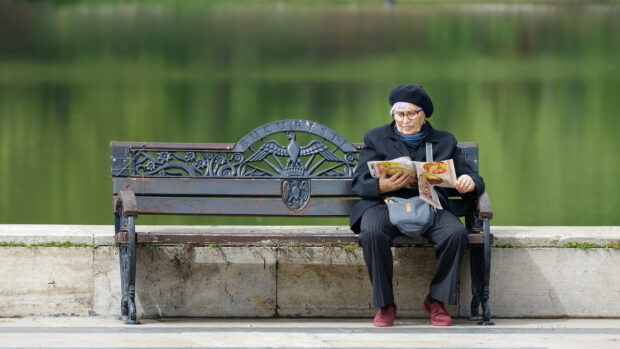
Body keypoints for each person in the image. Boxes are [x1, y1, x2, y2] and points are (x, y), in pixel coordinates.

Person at [349, 84, 485, 327]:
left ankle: (437, 301)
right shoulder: (376, 138)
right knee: (371, 232)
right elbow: (359, 182)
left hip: (429, 204)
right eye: (400, 114)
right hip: (385, 204)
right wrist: (382, 186)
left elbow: (472, 178)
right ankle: (385, 304)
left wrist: (469, 182)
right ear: (393, 115)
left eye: (412, 114)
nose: (405, 120)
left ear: (424, 115)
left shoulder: (444, 141)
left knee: (454, 233)